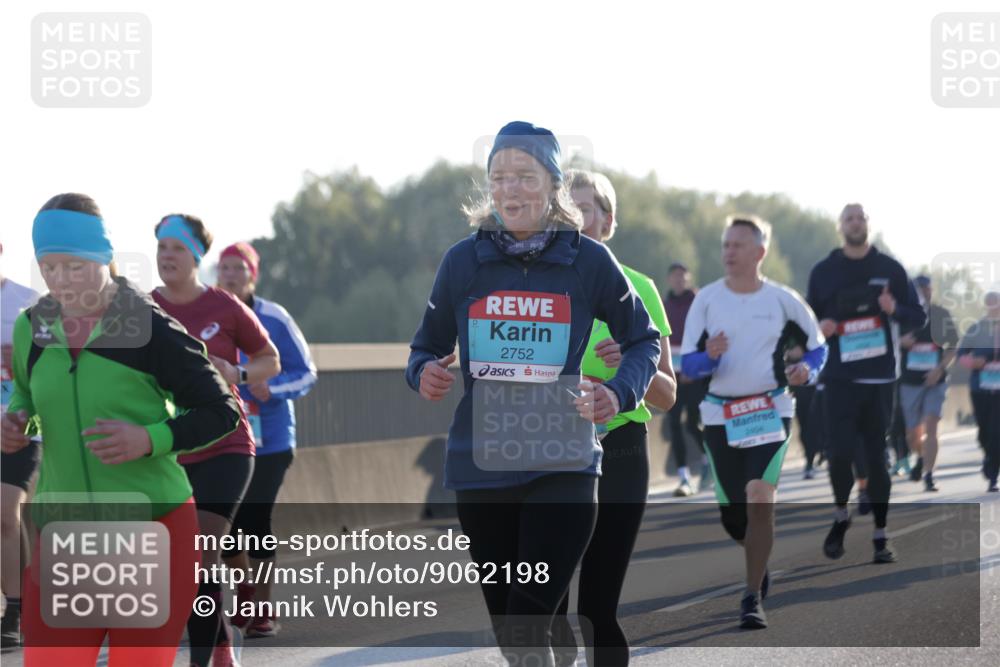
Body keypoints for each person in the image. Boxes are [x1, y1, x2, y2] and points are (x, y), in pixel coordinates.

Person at [405, 122, 660, 666]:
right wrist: (423, 371)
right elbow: (424, 348)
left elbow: (644, 339)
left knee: (528, 618)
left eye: (524, 176)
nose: (510, 189)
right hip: (481, 466)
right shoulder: (463, 261)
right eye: (499, 177)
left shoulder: (588, 261)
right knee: (516, 640)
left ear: (553, 186)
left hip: (562, 461)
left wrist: (619, 393)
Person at [1, 193, 241, 667]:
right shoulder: (34, 326)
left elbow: (221, 410)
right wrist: (18, 422)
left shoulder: (149, 326)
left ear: (105, 256)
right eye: (49, 267)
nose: (60, 280)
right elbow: (27, 397)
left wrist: (150, 438)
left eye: (74, 266)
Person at [548, 169, 675, 666]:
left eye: (586, 209)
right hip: (551, 450)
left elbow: (666, 395)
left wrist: (629, 364)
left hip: (620, 450)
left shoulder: (639, 289)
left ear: (608, 220)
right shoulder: (543, 287)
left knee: (596, 609)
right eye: (567, 209)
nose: (576, 219)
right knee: (547, 607)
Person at [681, 215, 827, 629]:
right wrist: (708, 355)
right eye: (725, 245)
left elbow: (818, 349)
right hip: (720, 414)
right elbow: (686, 364)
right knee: (735, 518)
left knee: (760, 495)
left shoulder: (783, 300)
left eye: (738, 245)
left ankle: (750, 597)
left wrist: (807, 372)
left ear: (760, 252)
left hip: (770, 410)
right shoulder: (706, 300)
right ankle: (756, 558)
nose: (728, 252)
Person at [152, 215, 280, 667]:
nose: (166, 255)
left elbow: (271, 360)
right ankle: (222, 631)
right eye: (161, 246)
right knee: (184, 562)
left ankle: (211, 651)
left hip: (228, 444)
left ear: (195, 256)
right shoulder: (142, 311)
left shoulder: (225, 307)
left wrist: (237, 374)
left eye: (176, 248)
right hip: (170, 449)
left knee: (199, 551)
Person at [807, 203, 925, 564]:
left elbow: (918, 317)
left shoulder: (889, 269)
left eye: (861, 218)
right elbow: (804, 322)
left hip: (879, 378)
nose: (855, 223)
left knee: (877, 459)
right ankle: (841, 515)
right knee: (839, 454)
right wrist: (820, 328)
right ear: (840, 226)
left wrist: (894, 310)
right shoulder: (824, 271)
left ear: (868, 226)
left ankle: (880, 535)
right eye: (849, 218)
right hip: (839, 378)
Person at [216, 241, 317, 638]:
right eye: (224, 268)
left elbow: (307, 373)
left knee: (255, 519)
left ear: (252, 275)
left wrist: (271, 388)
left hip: (271, 440)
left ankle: (261, 607)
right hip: (221, 437)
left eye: (238, 268)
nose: (230, 275)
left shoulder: (274, 317)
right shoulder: (207, 316)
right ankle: (246, 590)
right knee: (222, 522)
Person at [0, 243, 40, 649]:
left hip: (21, 425)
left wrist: (24, 360)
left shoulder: (30, 304)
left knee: (4, 512)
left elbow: (65, 361)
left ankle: (15, 611)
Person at [898, 275, 958, 492]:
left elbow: (953, 347)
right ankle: (920, 456)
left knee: (931, 425)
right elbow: (883, 340)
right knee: (912, 433)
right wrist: (899, 341)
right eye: (919, 289)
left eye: (927, 288)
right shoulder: (903, 315)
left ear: (932, 290)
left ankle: (929, 475)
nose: (924, 292)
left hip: (936, 380)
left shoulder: (941, 314)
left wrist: (939, 368)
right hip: (909, 382)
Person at [663, 263, 711, 495]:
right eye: (675, 277)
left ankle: (708, 460)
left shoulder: (699, 302)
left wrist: (695, 368)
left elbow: (708, 337)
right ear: (669, 280)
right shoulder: (664, 305)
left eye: (683, 276)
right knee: (674, 424)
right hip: (672, 376)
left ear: (688, 278)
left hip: (695, 375)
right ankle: (684, 477)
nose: (679, 280)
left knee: (693, 424)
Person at [957, 290, 1000, 492]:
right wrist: (973, 362)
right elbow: (961, 354)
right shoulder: (976, 328)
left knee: (996, 431)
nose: (993, 307)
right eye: (990, 304)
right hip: (980, 388)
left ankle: (992, 473)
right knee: (984, 432)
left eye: (996, 303)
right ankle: (989, 457)